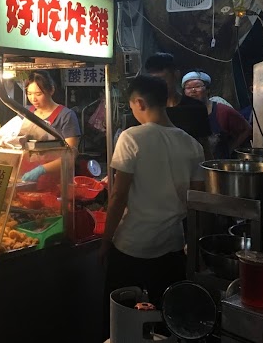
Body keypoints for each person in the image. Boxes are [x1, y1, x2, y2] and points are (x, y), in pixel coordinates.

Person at [100, 75, 205, 339]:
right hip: (171, 247)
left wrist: (105, 242)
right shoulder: (193, 145)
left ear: (139, 102)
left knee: (121, 320)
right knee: (166, 319)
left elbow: (118, 195)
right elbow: (196, 201)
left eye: (132, 107)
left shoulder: (131, 137)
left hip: (131, 246)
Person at [143, 53, 213, 159]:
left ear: (176, 75)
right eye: (153, 82)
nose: (158, 86)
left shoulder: (196, 108)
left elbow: (204, 146)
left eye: (162, 80)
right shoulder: (146, 110)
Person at [19, 70, 81, 185]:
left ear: (51, 90)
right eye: (29, 93)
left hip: (56, 179)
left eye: (38, 94)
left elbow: (71, 155)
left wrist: (41, 170)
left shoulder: (66, 116)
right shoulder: (25, 112)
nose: (33, 99)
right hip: (26, 176)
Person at [182, 71, 252, 159]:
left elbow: (247, 129)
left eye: (197, 86)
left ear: (208, 89)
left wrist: (229, 150)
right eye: (188, 87)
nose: (193, 90)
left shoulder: (222, 110)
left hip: (217, 165)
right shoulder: (181, 112)